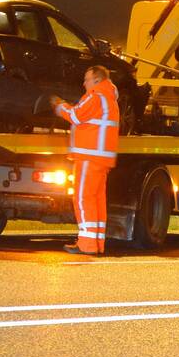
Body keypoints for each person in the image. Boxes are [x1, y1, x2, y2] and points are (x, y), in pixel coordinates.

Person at [50, 65, 120, 256]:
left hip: (89, 156)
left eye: (86, 79)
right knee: (97, 200)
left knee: (83, 198)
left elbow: (75, 116)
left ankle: (86, 245)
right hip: (101, 157)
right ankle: (96, 244)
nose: (84, 83)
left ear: (96, 80)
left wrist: (59, 105)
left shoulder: (96, 95)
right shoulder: (109, 98)